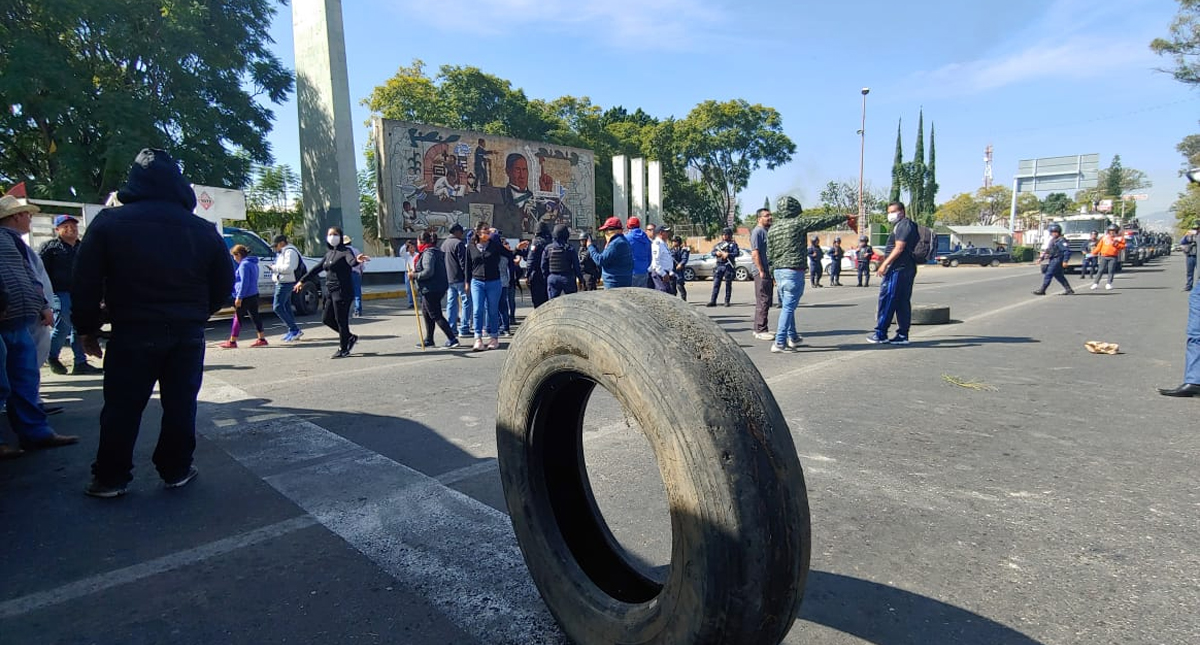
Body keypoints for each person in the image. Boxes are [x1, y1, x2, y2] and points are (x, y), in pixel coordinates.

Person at [71, 149, 232, 496]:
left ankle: (111, 478)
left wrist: (86, 328)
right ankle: (175, 469)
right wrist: (195, 313)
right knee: (180, 405)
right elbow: (224, 284)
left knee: (122, 407)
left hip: (132, 331)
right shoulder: (202, 230)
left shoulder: (109, 223)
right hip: (187, 334)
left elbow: (83, 281)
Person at [0, 196, 77, 458]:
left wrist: (42, 304)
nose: (28, 218)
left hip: (19, 322)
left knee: (25, 379)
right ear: (14, 217)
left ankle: (36, 434)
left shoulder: (15, 244)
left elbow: (30, 277)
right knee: (3, 382)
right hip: (5, 322)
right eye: (25, 214)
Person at [766, 196, 846, 353]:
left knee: (788, 306)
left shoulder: (773, 229)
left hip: (779, 271)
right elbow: (821, 221)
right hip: (793, 270)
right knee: (788, 307)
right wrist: (843, 217)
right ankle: (780, 342)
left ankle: (793, 337)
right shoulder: (797, 223)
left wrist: (772, 274)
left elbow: (769, 254)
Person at [295, 226, 369, 359]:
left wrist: (357, 260)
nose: (332, 237)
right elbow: (317, 268)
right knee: (327, 319)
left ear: (340, 237)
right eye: (330, 234)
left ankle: (343, 348)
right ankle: (349, 337)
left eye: (335, 234)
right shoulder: (329, 254)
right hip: (330, 290)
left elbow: (351, 262)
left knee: (341, 320)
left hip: (342, 291)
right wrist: (302, 281)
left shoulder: (345, 251)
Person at [38, 214, 99, 374]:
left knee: (80, 327)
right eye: (66, 226)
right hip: (59, 293)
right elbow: (39, 272)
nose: (71, 228)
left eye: (73, 225)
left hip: (80, 293)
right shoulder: (49, 248)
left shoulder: (84, 247)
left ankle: (80, 362)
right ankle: (52, 356)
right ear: (57, 229)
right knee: (63, 325)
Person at [866, 202, 920, 345]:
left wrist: (884, 264)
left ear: (902, 211)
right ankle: (902, 335)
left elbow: (899, 248)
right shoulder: (905, 225)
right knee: (902, 302)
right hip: (905, 268)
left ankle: (881, 333)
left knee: (888, 299)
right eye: (889, 212)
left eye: (893, 211)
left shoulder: (904, 225)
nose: (890, 215)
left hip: (898, 269)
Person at [466, 224, 513, 351]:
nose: (488, 232)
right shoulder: (470, 246)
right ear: (478, 232)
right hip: (477, 281)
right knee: (477, 310)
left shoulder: (494, 245)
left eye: (489, 230)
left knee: (492, 310)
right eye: (485, 230)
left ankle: (494, 338)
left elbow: (509, 254)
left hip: (494, 282)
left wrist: (518, 250)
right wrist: (467, 282)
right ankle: (478, 339)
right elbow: (467, 266)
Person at [412, 231, 458, 349]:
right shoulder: (435, 251)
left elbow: (428, 271)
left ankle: (452, 338)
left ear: (422, 242)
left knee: (435, 314)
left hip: (431, 288)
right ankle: (429, 339)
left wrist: (415, 275)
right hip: (434, 287)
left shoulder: (429, 253)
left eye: (417, 242)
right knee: (426, 313)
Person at [218, 245, 268, 348]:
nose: (234, 259)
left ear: (239, 255)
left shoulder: (244, 265)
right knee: (255, 316)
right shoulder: (253, 263)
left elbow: (244, 282)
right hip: (254, 293)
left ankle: (232, 341)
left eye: (234, 256)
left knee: (238, 317)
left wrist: (239, 297)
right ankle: (261, 338)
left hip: (245, 296)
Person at [267, 234, 304, 342]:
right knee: (286, 307)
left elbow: (289, 268)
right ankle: (292, 330)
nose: (275, 248)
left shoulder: (290, 252)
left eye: (276, 245)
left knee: (277, 307)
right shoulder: (283, 253)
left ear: (282, 243)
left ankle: (294, 329)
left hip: (286, 282)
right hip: (283, 281)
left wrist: (274, 268)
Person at [441, 224, 472, 338]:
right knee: (466, 302)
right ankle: (464, 328)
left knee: (451, 304)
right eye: (461, 231)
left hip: (449, 279)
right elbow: (464, 263)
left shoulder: (444, 244)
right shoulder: (459, 244)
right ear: (457, 232)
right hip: (460, 278)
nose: (462, 234)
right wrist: (468, 278)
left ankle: (452, 328)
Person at [586, 217, 633, 288]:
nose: (605, 233)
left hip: (614, 283)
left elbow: (601, 260)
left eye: (606, 230)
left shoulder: (616, 243)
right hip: (622, 280)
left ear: (613, 230)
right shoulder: (623, 241)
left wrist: (590, 246)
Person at [542, 224, 582, 300]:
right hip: (567, 278)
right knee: (572, 302)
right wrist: (580, 279)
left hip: (553, 277)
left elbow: (543, 266)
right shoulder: (569, 248)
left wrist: (547, 277)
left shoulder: (548, 248)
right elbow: (576, 266)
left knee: (552, 303)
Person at [1032, 224, 1075, 296]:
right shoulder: (1053, 240)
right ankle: (1069, 289)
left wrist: (1065, 261)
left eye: (1053, 232)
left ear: (1057, 232)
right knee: (1059, 276)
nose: (1052, 234)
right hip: (1053, 259)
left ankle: (1043, 289)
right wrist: (1041, 259)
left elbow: (1067, 251)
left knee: (1049, 274)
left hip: (1057, 259)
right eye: (1051, 232)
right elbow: (1048, 250)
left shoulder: (1061, 240)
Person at [750, 209, 773, 339]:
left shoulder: (766, 231)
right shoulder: (758, 232)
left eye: (770, 215)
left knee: (767, 300)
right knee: (762, 299)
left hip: (767, 271)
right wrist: (761, 270)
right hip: (761, 271)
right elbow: (755, 253)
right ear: (759, 218)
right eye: (766, 216)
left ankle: (762, 327)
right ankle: (760, 330)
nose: (770, 217)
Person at [707, 227, 740, 307]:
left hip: (728, 266)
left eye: (727, 234)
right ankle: (713, 301)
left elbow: (737, 253)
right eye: (724, 234)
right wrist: (717, 253)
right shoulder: (719, 245)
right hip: (719, 266)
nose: (725, 236)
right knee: (716, 284)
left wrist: (728, 254)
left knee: (728, 284)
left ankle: (727, 301)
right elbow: (712, 252)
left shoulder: (733, 245)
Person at [1090, 224, 1126, 291]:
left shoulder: (1120, 238)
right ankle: (1095, 283)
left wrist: (1117, 244)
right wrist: (1094, 253)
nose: (1112, 232)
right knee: (1100, 270)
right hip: (1104, 256)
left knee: (1111, 270)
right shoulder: (1105, 237)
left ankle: (1109, 283)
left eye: (1114, 231)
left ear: (1117, 231)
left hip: (1113, 257)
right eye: (1110, 231)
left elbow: (1123, 246)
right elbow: (1099, 246)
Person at [526, 222, 552, 308]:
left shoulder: (535, 242)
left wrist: (527, 274)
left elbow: (531, 259)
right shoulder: (551, 242)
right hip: (548, 273)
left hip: (536, 273)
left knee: (537, 300)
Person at [649, 225, 677, 295]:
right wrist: (663, 274)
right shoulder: (657, 244)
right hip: (660, 274)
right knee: (662, 294)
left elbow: (666, 260)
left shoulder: (663, 244)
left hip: (665, 274)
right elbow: (656, 262)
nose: (668, 234)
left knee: (669, 294)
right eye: (666, 232)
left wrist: (670, 272)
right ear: (661, 233)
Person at [625, 216, 651, 288]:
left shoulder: (626, 238)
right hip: (644, 271)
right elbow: (650, 256)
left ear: (628, 226)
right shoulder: (646, 238)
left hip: (631, 272)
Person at [344, 235, 367, 317]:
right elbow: (361, 263)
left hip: (346, 274)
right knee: (357, 292)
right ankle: (357, 310)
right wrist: (361, 271)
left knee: (345, 293)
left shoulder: (343, 252)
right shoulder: (356, 250)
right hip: (356, 273)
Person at [670, 236, 690, 301]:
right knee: (672, 287)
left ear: (678, 242)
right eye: (673, 241)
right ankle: (673, 300)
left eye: (675, 241)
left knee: (680, 285)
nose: (673, 242)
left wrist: (681, 264)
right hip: (672, 270)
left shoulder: (683, 250)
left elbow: (684, 258)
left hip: (679, 270)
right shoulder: (670, 250)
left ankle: (684, 300)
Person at [396, 238, 414, 309]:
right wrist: (405, 245)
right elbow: (401, 252)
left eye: (413, 247)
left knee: (420, 288)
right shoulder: (406, 255)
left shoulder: (417, 254)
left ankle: (422, 301)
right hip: (408, 272)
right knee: (409, 289)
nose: (412, 249)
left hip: (415, 272)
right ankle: (411, 303)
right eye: (410, 247)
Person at [1180, 226, 1197, 291]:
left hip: (1198, 255)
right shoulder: (1189, 233)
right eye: (1194, 228)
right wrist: (1189, 236)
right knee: (1189, 272)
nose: (1195, 230)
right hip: (1190, 255)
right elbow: (1182, 242)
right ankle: (1189, 285)